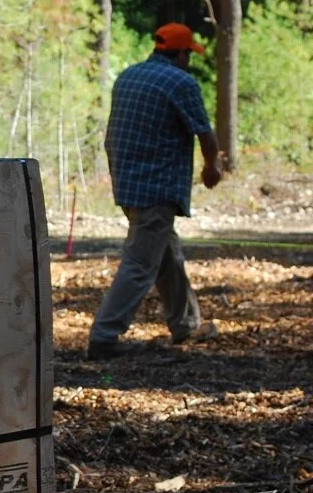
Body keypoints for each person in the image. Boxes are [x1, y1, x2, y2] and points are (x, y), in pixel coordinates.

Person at [87, 22, 227, 359]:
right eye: (188, 54)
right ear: (178, 53)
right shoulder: (181, 82)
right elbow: (205, 134)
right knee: (140, 263)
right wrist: (212, 167)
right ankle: (104, 337)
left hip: (128, 183)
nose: (189, 61)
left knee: (166, 255)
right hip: (157, 187)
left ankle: (186, 324)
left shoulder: (129, 76)